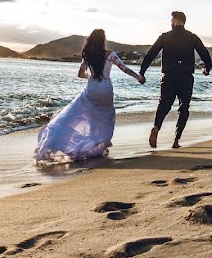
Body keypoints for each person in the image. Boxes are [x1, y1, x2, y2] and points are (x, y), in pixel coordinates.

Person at [34, 29, 144, 163]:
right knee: (105, 117)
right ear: (103, 40)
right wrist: (138, 77)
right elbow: (124, 68)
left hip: (92, 88)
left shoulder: (88, 55)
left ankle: (74, 144)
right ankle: (99, 146)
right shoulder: (110, 54)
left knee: (85, 115)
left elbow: (80, 73)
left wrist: (90, 77)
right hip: (105, 89)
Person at [137, 11, 212, 149]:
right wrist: (207, 68)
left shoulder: (165, 37)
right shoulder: (192, 37)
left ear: (176, 20)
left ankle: (156, 127)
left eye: (171, 20)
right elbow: (205, 54)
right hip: (186, 77)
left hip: (168, 76)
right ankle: (176, 140)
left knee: (164, 105)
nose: (170, 22)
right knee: (184, 108)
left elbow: (151, 54)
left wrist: (142, 72)